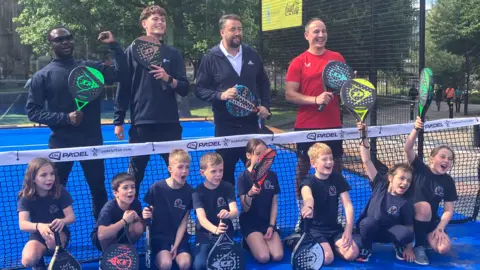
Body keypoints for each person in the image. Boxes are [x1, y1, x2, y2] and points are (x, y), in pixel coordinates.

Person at [25, 26, 125, 220]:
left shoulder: (90, 68)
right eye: (59, 39)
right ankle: (54, 234)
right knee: (54, 190)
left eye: (69, 38)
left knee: (98, 189)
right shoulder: (42, 76)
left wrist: (114, 45)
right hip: (61, 143)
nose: (65, 42)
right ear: (51, 44)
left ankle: (103, 232)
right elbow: (33, 111)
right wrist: (64, 118)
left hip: (92, 140)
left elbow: (121, 74)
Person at [114, 5, 190, 193]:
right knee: (134, 177)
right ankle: (130, 216)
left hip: (170, 124)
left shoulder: (173, 54)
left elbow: (184, 88)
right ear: (144, 24)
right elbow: (123, 86)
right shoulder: (131, 51)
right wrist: (118, 120)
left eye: (162, 20)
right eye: (155, 19)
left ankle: (183, 215)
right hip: (142, 124)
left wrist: (168, 79)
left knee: (178, 174)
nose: (160, 22)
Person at [195, 14, 271, 186]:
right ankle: (227, 211)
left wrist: (265, 105)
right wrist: (220, 95)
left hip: (251, 126)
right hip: (225, 127)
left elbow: (264, 82)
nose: (237, 33)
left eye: (239, 29)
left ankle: (252, 211)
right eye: (232, 29)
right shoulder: (210, 58)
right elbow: (199, 90)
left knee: (256, 174)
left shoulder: (252, 54)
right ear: (222, 32)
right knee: (223, 175)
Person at [285, 18, 346, 231]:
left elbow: (342, 87)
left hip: (332, 125)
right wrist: (315, 100)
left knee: (335, 170)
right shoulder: (298, 62)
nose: (320, 35)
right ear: (307, 35)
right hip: (306, 127)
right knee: (303, 170)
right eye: (316, 32)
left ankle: (334, 213)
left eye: (324, 31)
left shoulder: (337, 58)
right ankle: (303, 214)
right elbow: (290, 94)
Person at [355, 122, 415, 263]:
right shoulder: (379, 185)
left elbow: (408, 225)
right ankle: (366, 248)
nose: (405, 183)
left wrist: (409, 248)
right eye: (401, 178)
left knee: (406, 233)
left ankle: (398, 245)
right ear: (390, 178)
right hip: (372, 229)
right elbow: (367, 160)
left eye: (408, 180)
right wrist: (363, 134)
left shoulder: (406, 201)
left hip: (390, 232)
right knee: (367, 223)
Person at [404, 117, 458, 265]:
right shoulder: (420, 169)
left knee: (443, 248)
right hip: (408, 217)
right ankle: (419, 246)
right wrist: (416, 129)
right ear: (432, 158)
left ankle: (424, 237)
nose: (446, 160)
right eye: (442, 156)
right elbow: (408, 148)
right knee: (425, 207)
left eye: (450, 158)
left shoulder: (448, 181)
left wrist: (440, 228)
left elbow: (448, 210)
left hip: (430, 220)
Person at [299, 143, 359, 265]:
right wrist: (308, 207)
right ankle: (302, 242)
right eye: (324, 159)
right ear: (313, 163)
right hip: (314, 229)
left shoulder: (337, 178)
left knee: (352, 254)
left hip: (333, 228)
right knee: (327, 258)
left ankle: (329, 245)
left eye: (331, 158)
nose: (330, 162)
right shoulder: (308, 182)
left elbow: (348, 205)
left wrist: (348, 230)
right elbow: (308, 197)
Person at [18, 158, 75, 269]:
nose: (49, 178)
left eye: (52, 174)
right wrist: (39, 226)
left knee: (53, 243)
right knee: (28, 260)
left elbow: (71, 217)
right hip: (38, 233)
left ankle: (55, 263)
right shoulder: (25, 197)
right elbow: (23, 224)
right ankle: (39, 264)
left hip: (59, 232)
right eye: (43, 175)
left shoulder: (60, 191)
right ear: (33, 178)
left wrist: (62, 221)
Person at [142, 149, 194, 270]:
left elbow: (184, 222)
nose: (184, 171)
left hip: (179, 237)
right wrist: (145, 214)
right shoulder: (156, 188)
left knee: (185, 264)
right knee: (166, 264)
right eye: (180, 167)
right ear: (170, 169)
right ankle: (158, 258)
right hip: (159, 237)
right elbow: (149, 214)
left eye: (187, 167)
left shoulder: (190, 191)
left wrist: (175, 245)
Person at [237, 139, 283, 263]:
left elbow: (274, 203)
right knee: (264, 257)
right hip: (250, 223)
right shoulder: (243, 177)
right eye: (258, 154)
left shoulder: (272, 176)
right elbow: (245, 208)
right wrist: (250, 194)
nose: (262, 157)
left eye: (264, 154)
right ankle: (247, 241)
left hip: (267, 222)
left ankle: (259, 241)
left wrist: (271, 226)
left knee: (278, 256)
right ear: (248, 155)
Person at [192, 153, 239, 270]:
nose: (218, 175)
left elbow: (235, 211)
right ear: (202, 173)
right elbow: (201, 219)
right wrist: (215, 229)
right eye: (213, 171)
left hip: (225, 233)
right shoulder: (197, 192)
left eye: (221, 170)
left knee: (229, 263)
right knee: (199, 266)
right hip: (205, 234)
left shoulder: (227, 187)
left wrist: (229, 213)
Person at [91, 173, 144, 253]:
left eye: (133, 187)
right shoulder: (109, 208)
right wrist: (124, 221)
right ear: (116, 193)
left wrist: (138, 218)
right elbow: (101, 235)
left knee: (138, 226)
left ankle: (125, 251)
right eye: (125, 188)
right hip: (102, 240)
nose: (130, 190)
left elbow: (144, 227)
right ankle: (108, 256)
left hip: (123, 235)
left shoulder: (136, 203)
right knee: (111, 230)